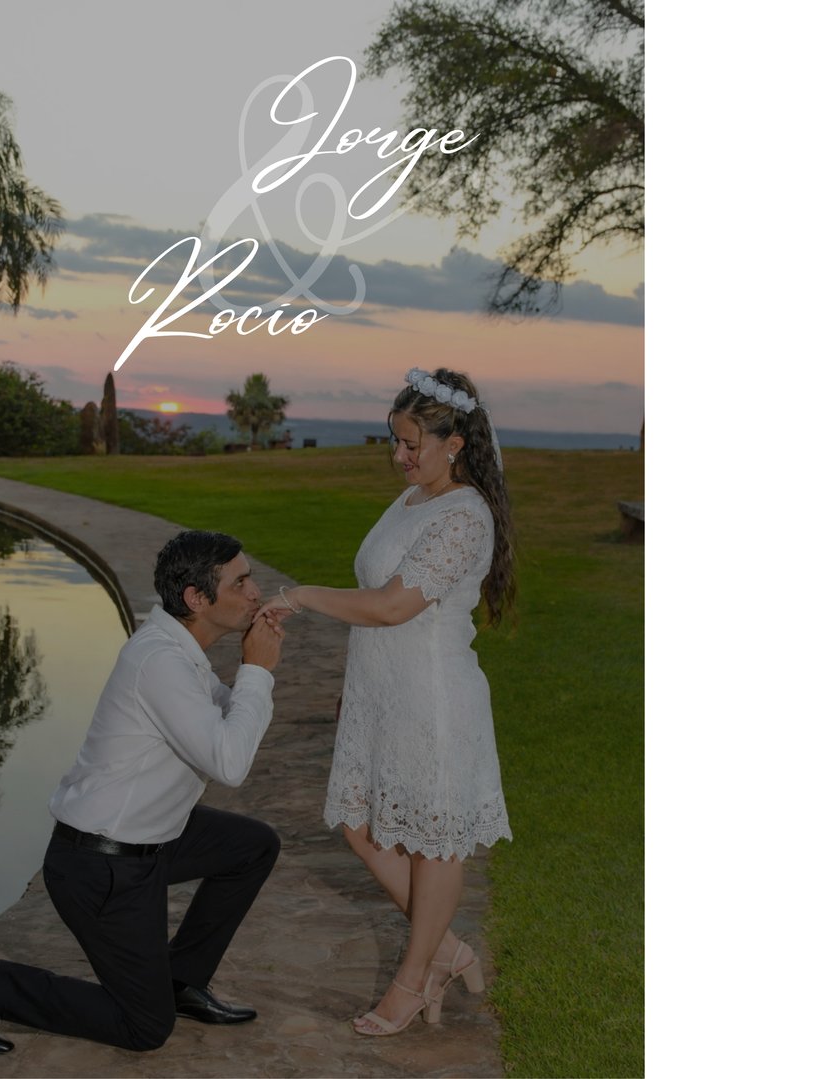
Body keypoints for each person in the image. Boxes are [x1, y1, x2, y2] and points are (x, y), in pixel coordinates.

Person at [0, 530, 287, 1054]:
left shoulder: (179, 651)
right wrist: (256, 672)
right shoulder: (159, 661)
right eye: (240, 582)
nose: (255, 592)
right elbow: (229, 761)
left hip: (153, 840)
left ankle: (180, 982)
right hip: (102, 866)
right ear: (196, 598)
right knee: (145, 1028)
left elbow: (227, 719)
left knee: (252, 846)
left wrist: (253, 678)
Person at [260, 367, 515, 1037]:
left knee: (433, 844)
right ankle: (448, 952)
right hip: (383, 694)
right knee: (359, 823)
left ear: (453, 444)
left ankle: (413, 979)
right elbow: (379, 602)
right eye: (394, 440)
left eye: (410, 443)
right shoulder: (411, 500)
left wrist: (301, 595)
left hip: (432, 700)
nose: (398, 455)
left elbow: (393, 605)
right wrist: (358, 691)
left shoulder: (464, 516)